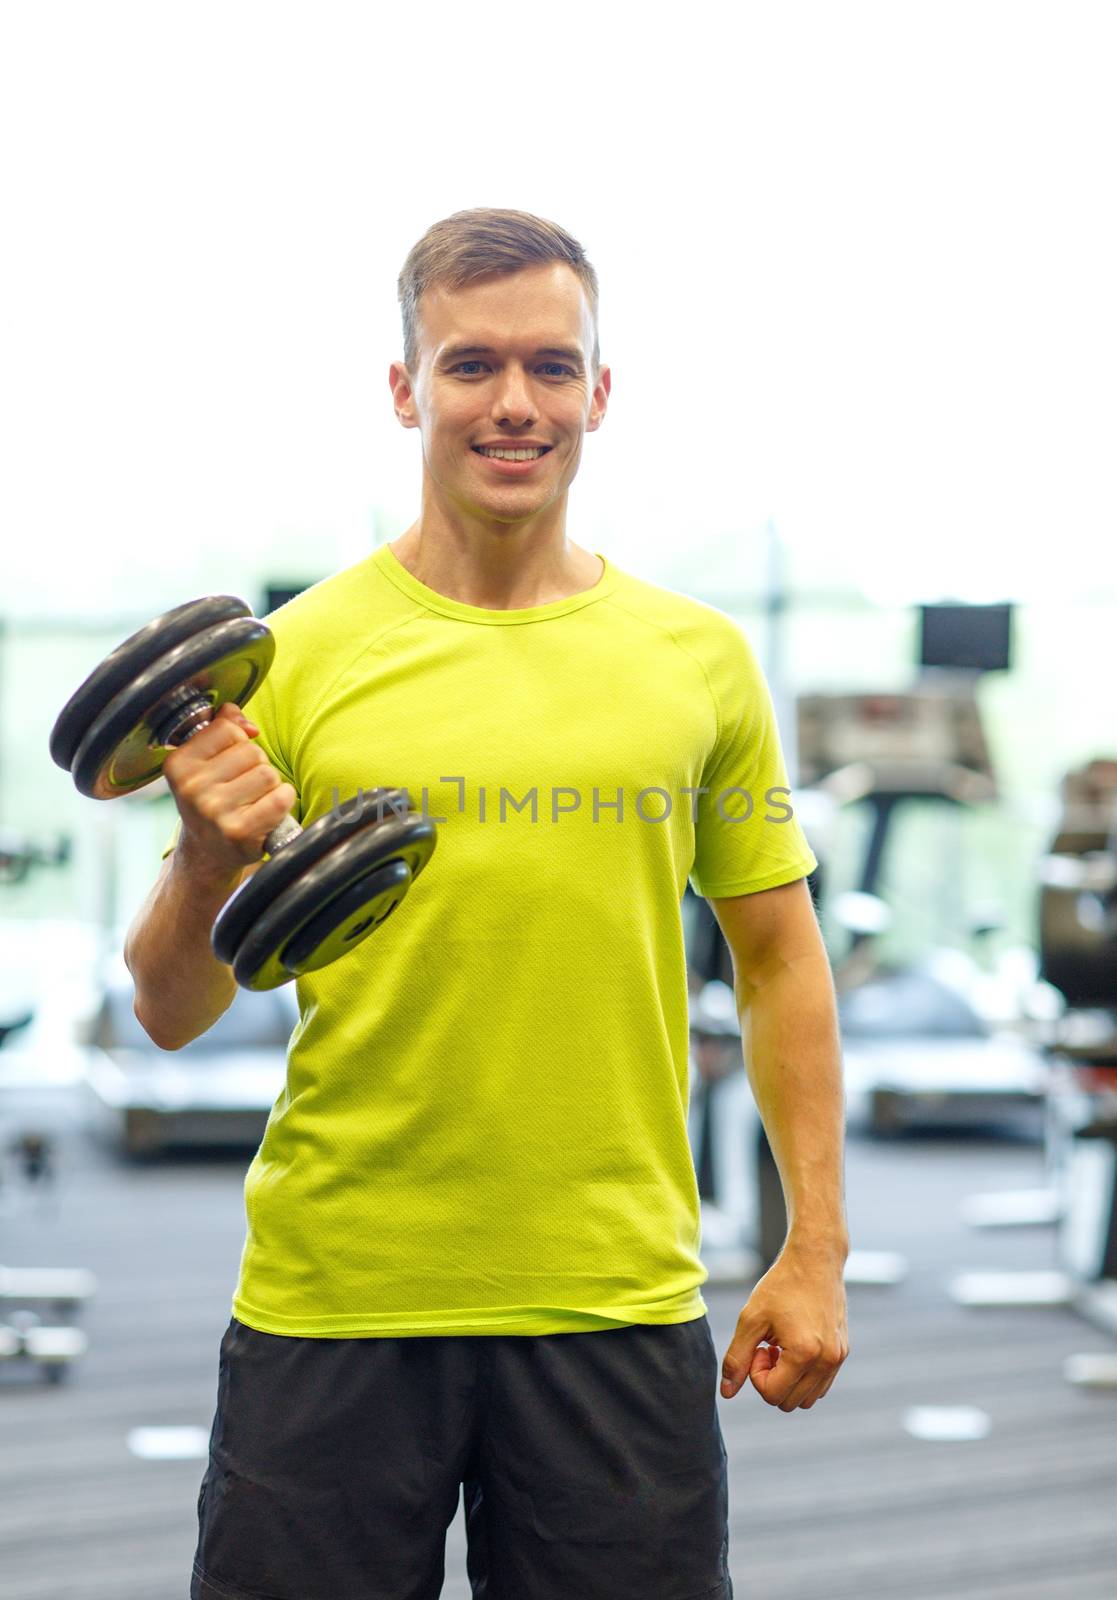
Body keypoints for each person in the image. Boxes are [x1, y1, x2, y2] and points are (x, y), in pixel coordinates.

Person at [125, 207, 850, 1600]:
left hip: (614, 1297)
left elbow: (779, 964)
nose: (513, 404)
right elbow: (167, 1006)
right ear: (404, 387)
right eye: (469, 366)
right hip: (338, 1297)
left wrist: (812, 1247)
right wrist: (208, 855)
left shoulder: (693, 661)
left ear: (599, 391)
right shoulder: (292, 660)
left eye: (551, 366)